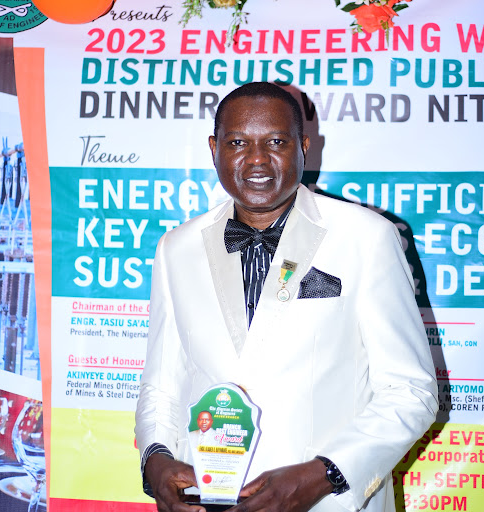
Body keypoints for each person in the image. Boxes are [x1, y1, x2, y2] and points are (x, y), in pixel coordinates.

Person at [135, 82, 438, 512]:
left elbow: (410, 391)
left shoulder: (366, 238)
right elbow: (161, 386)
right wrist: (156, 458)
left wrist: (323, 475)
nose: (257, 159)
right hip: (209, 500)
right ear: (214, 149)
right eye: (237, 142)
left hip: (326, 503)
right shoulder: (176, 249)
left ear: (304, 147)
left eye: (276, 142)